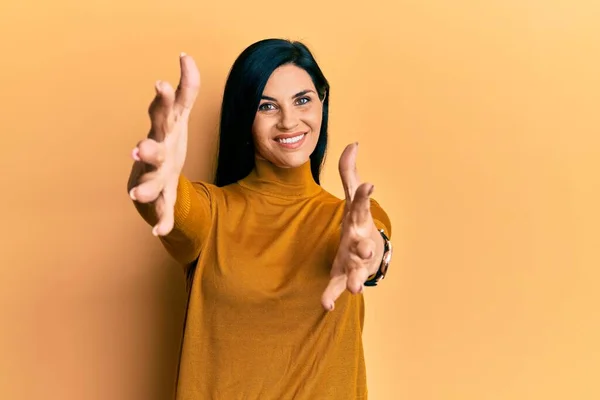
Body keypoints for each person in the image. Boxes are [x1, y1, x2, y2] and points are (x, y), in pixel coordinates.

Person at [127, 38, 393, 399]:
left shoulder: (351, 216)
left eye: (302, 100)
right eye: (267, 106)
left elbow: (373, 242)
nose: (289, 121)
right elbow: (172, 206)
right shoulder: (213, 212)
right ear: (244, 118)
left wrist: (371, 253)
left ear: (322, 103)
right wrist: (152, 172)